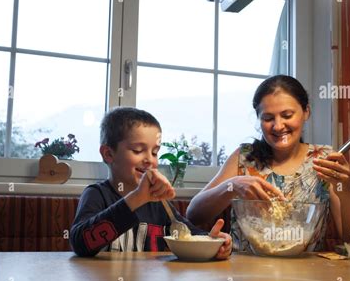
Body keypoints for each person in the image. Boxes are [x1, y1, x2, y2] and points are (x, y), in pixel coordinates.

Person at [186, 75, 350, 253]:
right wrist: (231, 186)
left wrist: (346, 188)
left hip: (307, 275)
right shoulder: (245, 157)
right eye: (268, 118)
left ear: (306, 112)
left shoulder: (324, 159)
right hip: (245, 273)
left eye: (287, 115)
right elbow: (194, 215)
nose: (278, 126)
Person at [70, 107, 232, 258]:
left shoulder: (160, 203)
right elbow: (80, 244)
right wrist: (137, 198)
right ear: (108, 154)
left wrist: (213, 242)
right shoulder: (96, 194)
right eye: (138, 150)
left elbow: (189, 234)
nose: (149, 160)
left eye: (155, 152)